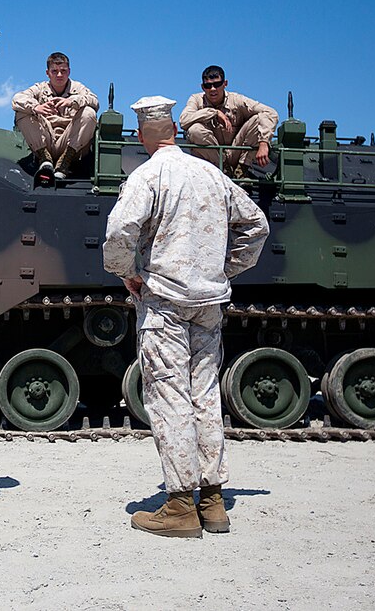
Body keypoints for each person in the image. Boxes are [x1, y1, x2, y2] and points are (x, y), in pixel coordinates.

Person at [103, 95, 268, 538]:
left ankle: (179, 505)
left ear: (141, 135)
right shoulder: (211, 174)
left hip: (166, 304)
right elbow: (257, 225)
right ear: (174, 129)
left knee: (170, 396)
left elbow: (119, 233)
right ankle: (212, 500)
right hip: (209, 303)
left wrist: (128, 274)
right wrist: (224, 268)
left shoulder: (147, 176)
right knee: (204, 393)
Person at [11, 52, 99, 180]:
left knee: (89, 113)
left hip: (69, 142)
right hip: (46, 139)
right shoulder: (40, 88)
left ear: (69, 71)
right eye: (55, 71)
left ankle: (64, 163)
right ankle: (44, 157)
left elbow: (94, 100)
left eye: (63, 71)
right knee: (22, 112)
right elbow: (17, 98)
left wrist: (73, 101)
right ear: (48, 73)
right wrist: (36, 107)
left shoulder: (78, 88)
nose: (59, 75)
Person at [179, 65, 278, 178]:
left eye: (217, 84)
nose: (212, 89)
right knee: (194, 129)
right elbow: (184, 120)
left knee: (258, 119)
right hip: (212, 159)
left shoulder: (236, 100)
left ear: (225, 84)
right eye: (208, 85)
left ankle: (241, 170)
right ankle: (224, 170)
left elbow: (270, 113)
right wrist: (214, 113)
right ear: (202, 87)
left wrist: (264, 143)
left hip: (235, 152)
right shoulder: (196, 100)